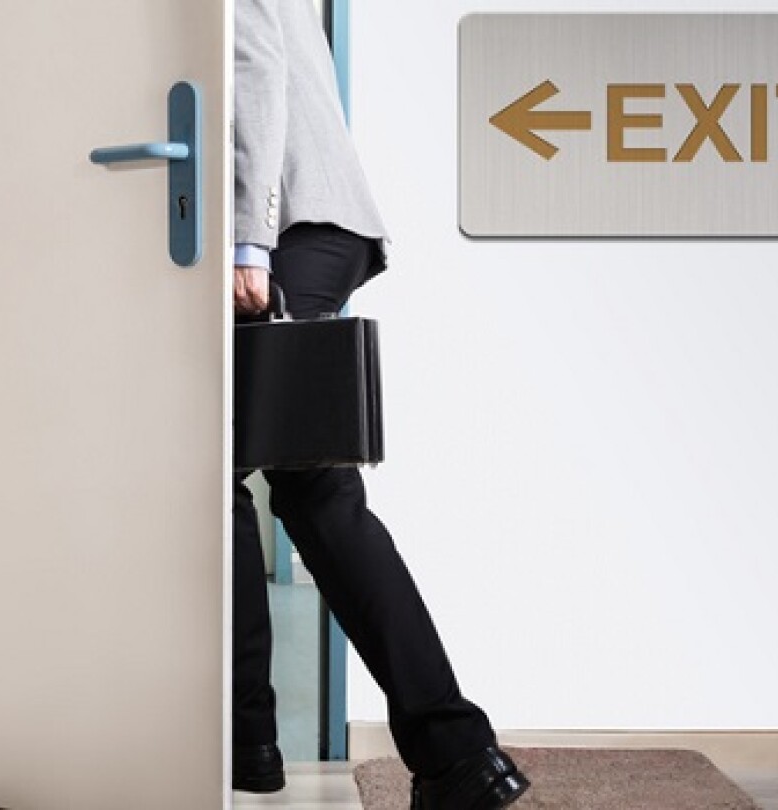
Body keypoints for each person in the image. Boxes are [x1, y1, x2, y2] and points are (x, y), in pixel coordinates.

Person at [231, 2, 531, 809]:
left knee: (239, 475)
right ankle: (455, 756)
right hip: (307, 220)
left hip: (286, 220)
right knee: (304, 489)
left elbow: (253, 63)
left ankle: (248, 736)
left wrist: (245, 238)